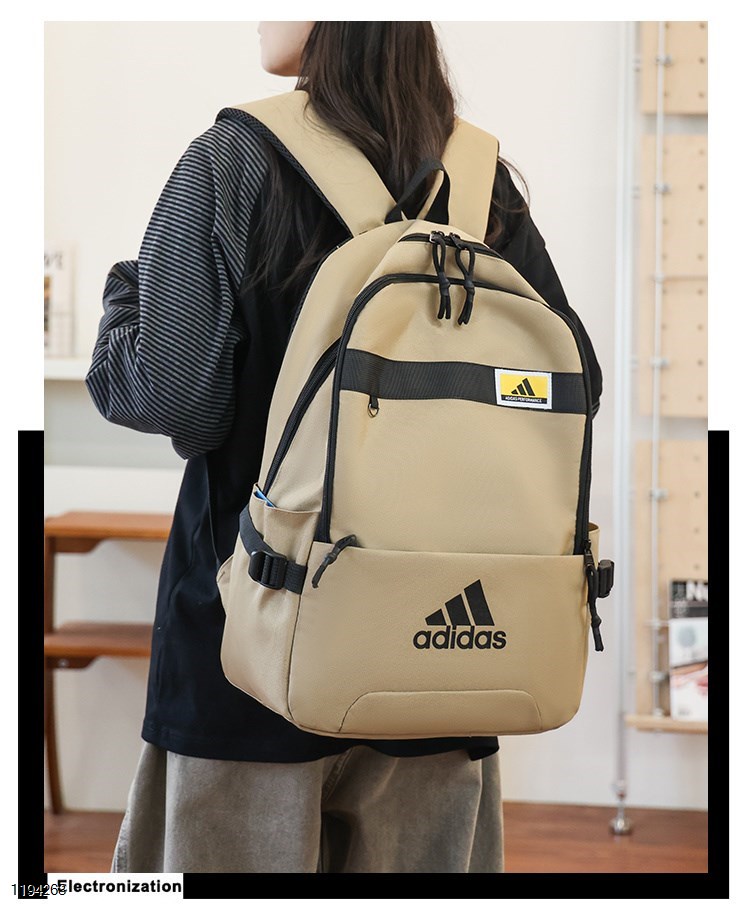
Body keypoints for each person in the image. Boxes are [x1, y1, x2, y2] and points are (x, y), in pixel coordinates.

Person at [86, 21, 602, 874]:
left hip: (251, 649)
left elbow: (175, 397)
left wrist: (124, 303)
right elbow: (575, 387)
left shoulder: (233, 160)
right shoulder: (482, 185)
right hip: (449, 654)